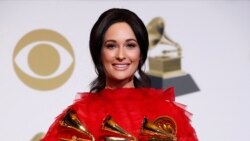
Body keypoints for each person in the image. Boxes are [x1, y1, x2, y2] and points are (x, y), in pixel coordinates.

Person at [41, 8, 198, 141]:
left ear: (141, 53)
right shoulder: (79, 117)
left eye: (130, 45)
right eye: (111, 46)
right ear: (98, 53)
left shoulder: (169, 114)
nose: (121, 55)